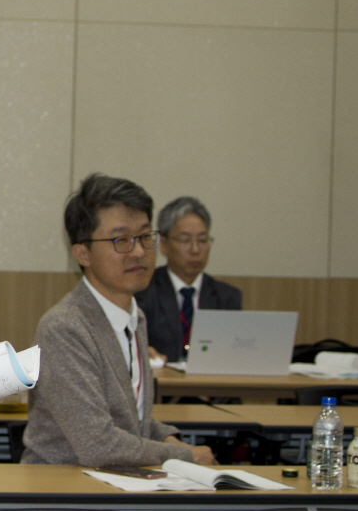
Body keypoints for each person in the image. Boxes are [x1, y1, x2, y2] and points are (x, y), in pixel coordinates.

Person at [21, 174, 215, 467]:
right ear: (82, 253)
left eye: (145, 237)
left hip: (121, 479)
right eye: (121, 240)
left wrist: (168, 439)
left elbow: (131, 419)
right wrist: (185, 455)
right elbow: (98, 445)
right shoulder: (64, 328)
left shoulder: (134, 316)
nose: (139, 252)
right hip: (64, 485)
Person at [136, 196, 242, 363]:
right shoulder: (143, 292)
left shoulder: (227, 298)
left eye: (202, 240)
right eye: (185, 240)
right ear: (164, 244)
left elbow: (235, 352)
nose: (195, 250)